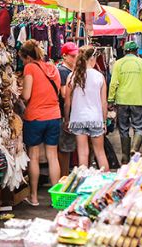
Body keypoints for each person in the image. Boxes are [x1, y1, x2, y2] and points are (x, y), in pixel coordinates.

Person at [19, 40, 63, 205]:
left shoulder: (30, 67)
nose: (23, 63)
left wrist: (20, 94)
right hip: (53, 116)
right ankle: (55, 199)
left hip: (35, 117)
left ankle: (34, 197)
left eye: (23, 60)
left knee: (34, 156)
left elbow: (27, 95)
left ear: (28, 57)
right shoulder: (53, 68)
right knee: (53, 156)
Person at [108, 41, 142, 164]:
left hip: (122, 100)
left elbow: (113, 83)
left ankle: (125, 156)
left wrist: (111, 99)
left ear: (125, 51)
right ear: (136, 51)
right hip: (137, 99)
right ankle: (134, 149)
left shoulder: (118, 63)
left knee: (123, 128)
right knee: (138, 126)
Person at [65, 47, 109, 170]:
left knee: (82, 154)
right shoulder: (99, 76)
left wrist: (67, 119)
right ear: (92, 58)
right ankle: (106, 185)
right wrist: (104, 121)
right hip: (95, 118)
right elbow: (103, 103)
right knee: (100, 153)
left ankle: (83, 183)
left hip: (78, 119)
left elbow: (67, 103)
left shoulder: (72, 76)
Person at [57, 42, 80, 175]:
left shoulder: (70, 71)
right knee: (65, 149)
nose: (75, 58)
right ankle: (64, 176)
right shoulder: (62, 71)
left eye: (76, 56)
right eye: (72, 56)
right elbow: (65, 94)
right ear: (64, 56)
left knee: (69, 148)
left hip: (71, 114)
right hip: (64, 115)